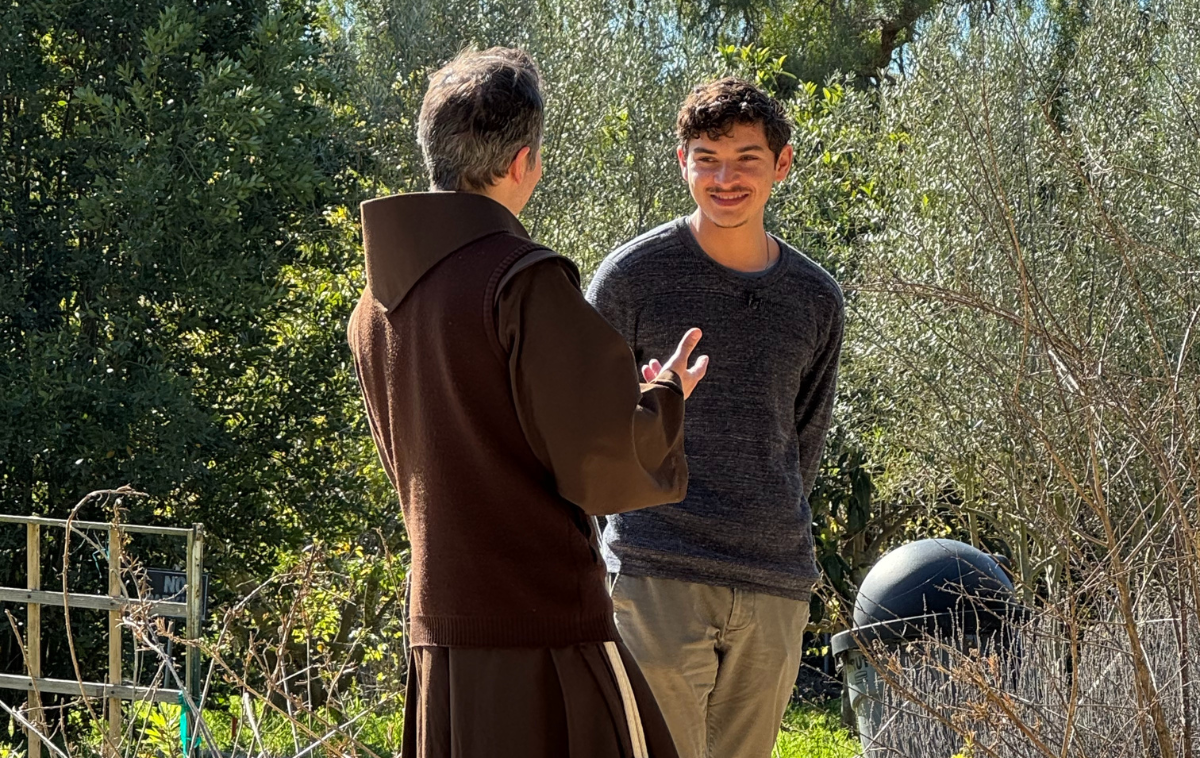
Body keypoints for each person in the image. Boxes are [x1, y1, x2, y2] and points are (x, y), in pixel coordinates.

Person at [346, 47, 709, 758]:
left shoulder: (373, 307)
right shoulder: (521, 280)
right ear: (522, 163)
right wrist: (664, 398)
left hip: (443, 639)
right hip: (544, 634)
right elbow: (601, 462)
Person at [586, 77, 845, 758]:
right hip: (655, 569)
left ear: (782, 165)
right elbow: (584, 432)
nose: (724, 178)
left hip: (773, 583)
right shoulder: (631, 279)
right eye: (707, 158)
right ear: (682, 162)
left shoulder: (816, 300)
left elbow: (803, 441)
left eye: (746, 159)